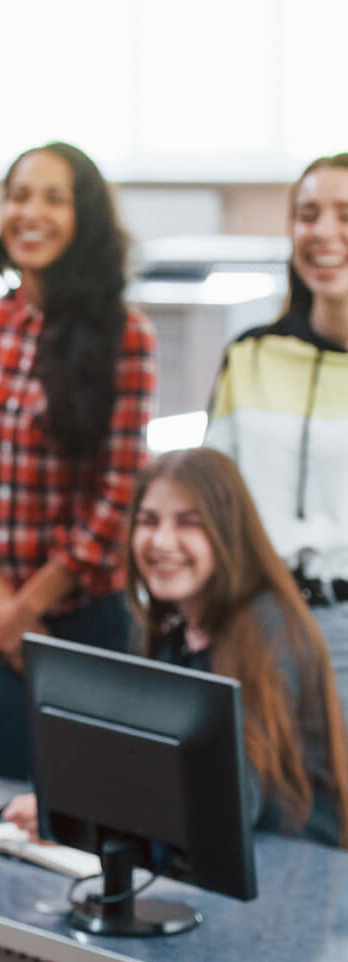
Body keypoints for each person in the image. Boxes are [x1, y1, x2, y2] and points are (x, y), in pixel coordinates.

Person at [5, 447, 348, 848]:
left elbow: (233, 797)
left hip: (292, 873)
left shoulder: (269, 628)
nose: (162, 541)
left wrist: (91, 816)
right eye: (148, 521)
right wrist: (72, 814)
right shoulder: (176, 631)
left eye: (190, 523)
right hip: (219, 862)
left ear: (228, 532)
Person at [0, 142, 157, 778]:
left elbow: (120, 493)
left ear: (85, 217)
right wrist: (2, 603)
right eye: (20, 195)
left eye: (53, 198)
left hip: (85, 616)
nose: (30, 212)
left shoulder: (125, 333)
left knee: (87, 811)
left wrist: (29, 608)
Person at [205, 152, 348, 702]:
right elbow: (212, 498)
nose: (324, 232)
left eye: (345, 214)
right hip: (255, 618)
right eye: (309, 215)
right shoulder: (252, 356)